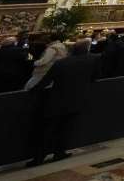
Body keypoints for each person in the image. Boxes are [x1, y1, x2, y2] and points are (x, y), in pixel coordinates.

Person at [27, 39, 99, 167]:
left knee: (48, 131)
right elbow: (94, 78)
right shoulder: (92, 60)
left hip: (57, 100)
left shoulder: (61, 63)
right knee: (66, 129)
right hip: (78, 99)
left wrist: (31, 91)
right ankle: (59, 152)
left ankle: (39, 158)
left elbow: (45, 81)